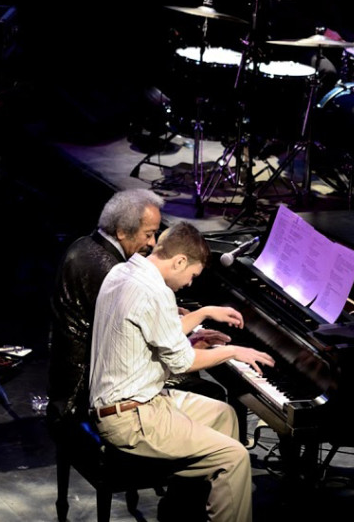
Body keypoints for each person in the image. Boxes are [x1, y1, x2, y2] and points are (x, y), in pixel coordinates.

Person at [89, 222, 275, 522]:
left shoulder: (126, 271)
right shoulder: (156, 293)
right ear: (179, 261)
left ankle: (180, 514)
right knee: (234, 457)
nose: (189, 284)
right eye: (192, 275)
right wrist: (230, 352)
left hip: (139, 402)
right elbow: (182, 363)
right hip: (131, 419)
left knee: (223, 415)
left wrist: (201, 317)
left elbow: (156, 334)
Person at [47, 188, 230, 428]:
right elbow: (144, 347)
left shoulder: (86, 246)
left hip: (73, 372)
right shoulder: (109, 269)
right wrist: (189, 343)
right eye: (149, 234)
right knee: (206, 391)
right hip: (84, 387)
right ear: (122, 231)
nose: (153, 243)